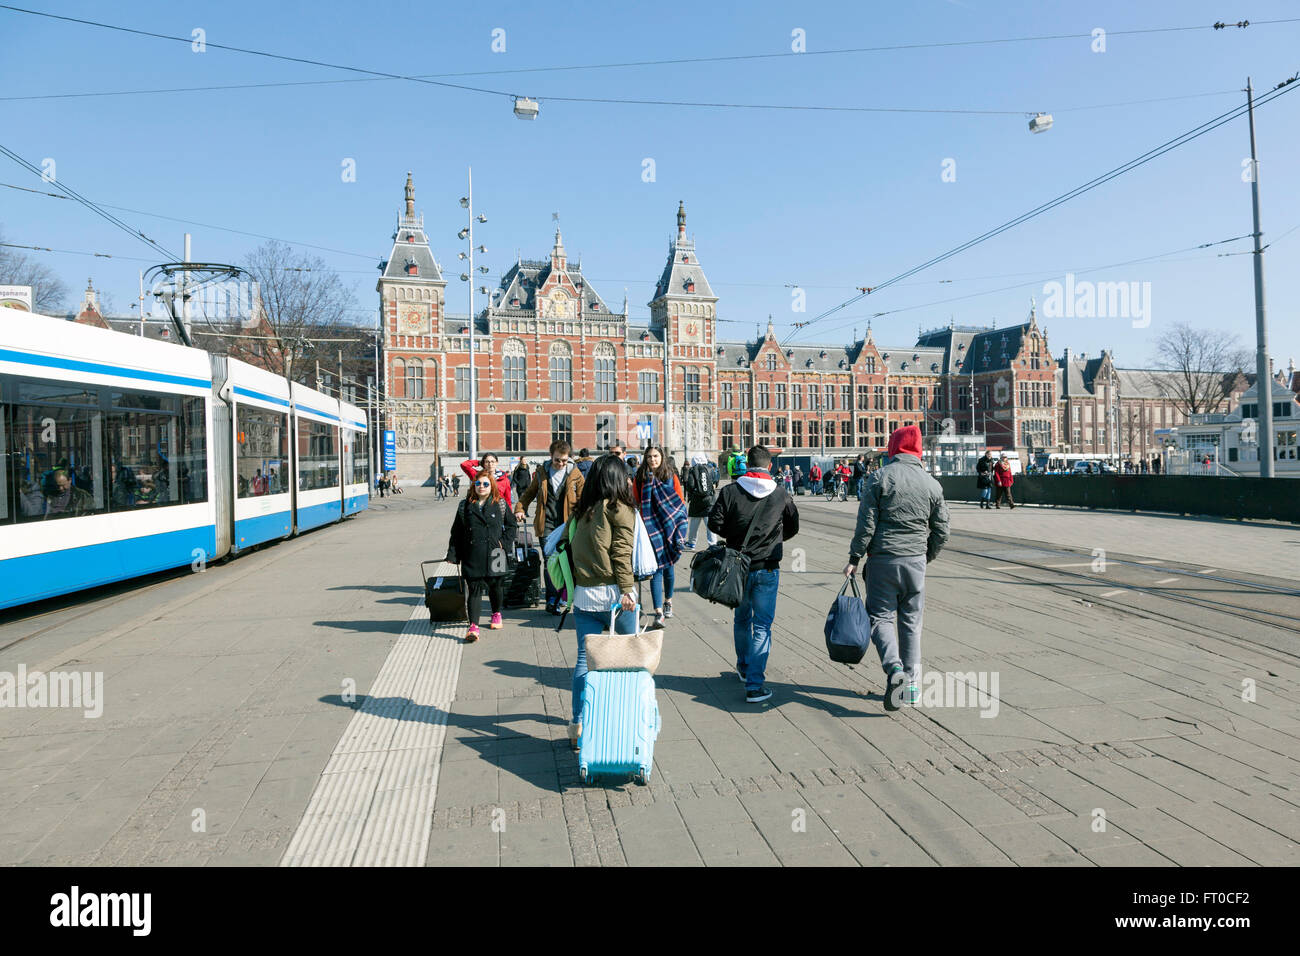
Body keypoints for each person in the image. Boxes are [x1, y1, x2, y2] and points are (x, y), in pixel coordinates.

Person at [844, 425, 949, 711]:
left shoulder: (879, 478)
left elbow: (866, 525)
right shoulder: (932, 484)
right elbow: (942, 530)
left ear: (894, 448)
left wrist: (854, 558)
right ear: (918, 451)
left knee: (880, 618)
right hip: (915, 561)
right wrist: (925, 556)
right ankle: (912, 686)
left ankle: (894, 669)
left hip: (883, 560)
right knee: (911, 623)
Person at [707, 444, 799, 704]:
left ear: (746, 464)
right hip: (767, 567)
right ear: (769, 465)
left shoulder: (730, 491)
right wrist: (774, 539)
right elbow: (793, 524)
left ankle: (744, 668)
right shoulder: (780, 493)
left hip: (738, 568)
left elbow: (714, 523)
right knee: (762, 626)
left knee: (741, 619)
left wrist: (734, 538)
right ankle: (755, 686)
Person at [566, 455, 639, 750]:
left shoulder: (583, 510)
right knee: (629, 661)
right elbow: (621, 554)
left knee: (585, 662)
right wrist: (627, 590)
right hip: (614, 597)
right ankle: (625, 719)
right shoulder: (619, 509)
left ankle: (578, 724)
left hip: (584, 596)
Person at [516, 440, 585, 614]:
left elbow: (585, 497)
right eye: (557, 460)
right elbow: (529, 494)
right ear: (550, 456)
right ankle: (552, 599)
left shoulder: (575, 474)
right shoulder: (541, 473)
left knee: (567, 560)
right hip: (546, 523)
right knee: (550, 561)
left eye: (563, 460)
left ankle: (566, 595)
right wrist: (519, 508)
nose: (560, 464)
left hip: (567, 524)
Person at [447, 471, 517, 642]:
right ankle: (473, 627)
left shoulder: (499, 503)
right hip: (473, 554)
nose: (481, 487)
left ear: (491, 486)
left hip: (497, 552)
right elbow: (456, 532)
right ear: (473, 486)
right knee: (475, 590)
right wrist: (453, 554)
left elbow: (511, 525)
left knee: (496, 586)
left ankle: (496, 613)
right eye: (478, 484)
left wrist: (504, 544)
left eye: (485, 484)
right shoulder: (465, 506)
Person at [634, 446, 687, 628]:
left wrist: (680, 529)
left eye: (655, 456)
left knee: (669, 568)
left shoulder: (670, 476)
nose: (652, 460)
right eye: (649, 456)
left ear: (661, 457)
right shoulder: (640, 477)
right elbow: (636, 501)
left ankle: (668, 601)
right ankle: (658, 611)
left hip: (669, 528)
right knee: (656, 568)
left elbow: (679, 503)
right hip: (650, 527)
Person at [683, 453, 718, 550]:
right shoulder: (710, 468)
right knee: (710, 525)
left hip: (696, 501)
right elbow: (715, 480)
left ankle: (691, 543)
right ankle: (712, 544)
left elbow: (690, 485)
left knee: (694, 524)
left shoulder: (692, 470)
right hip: (709, 500)